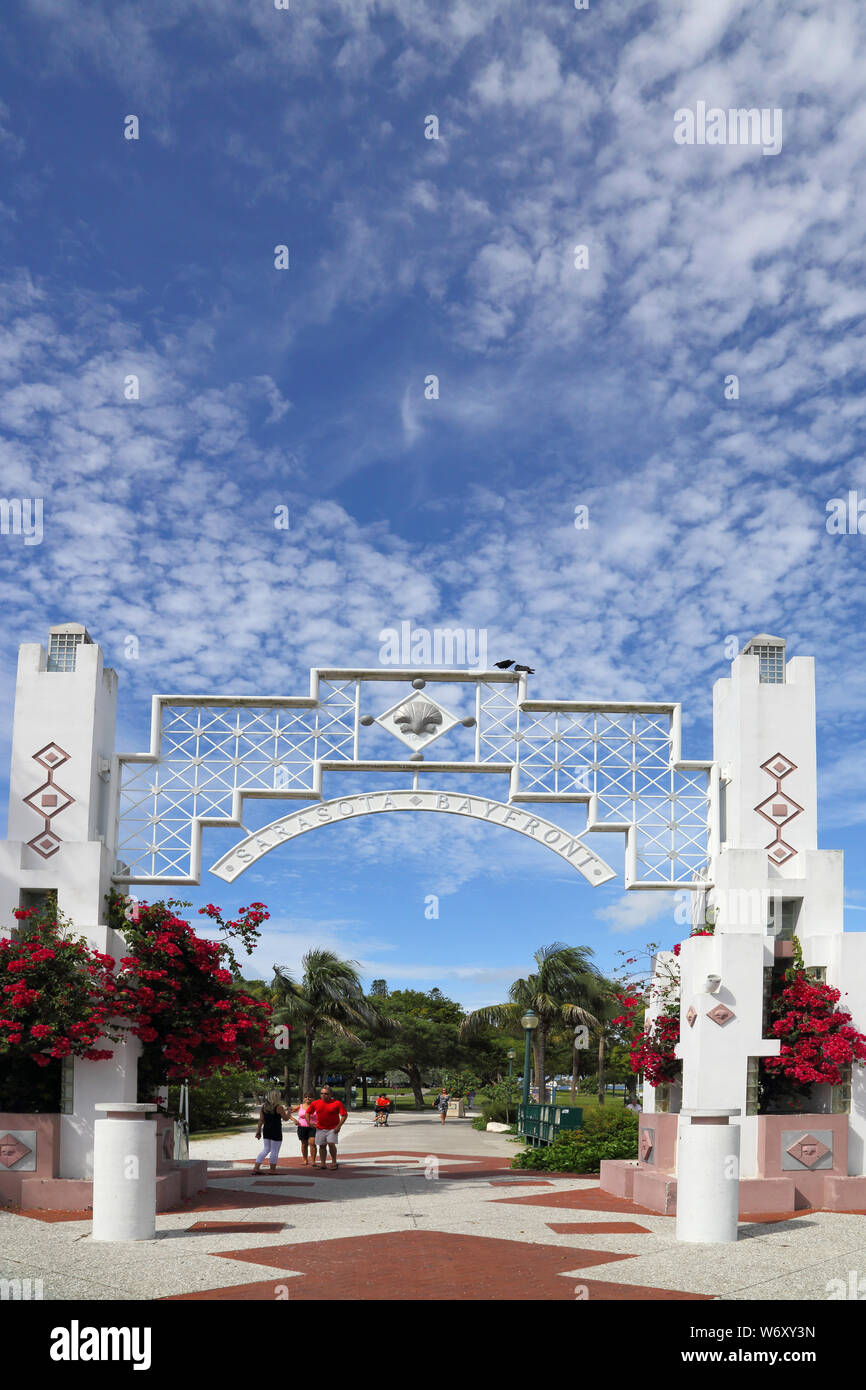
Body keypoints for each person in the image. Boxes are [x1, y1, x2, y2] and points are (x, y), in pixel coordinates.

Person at [307, 1085, 347, 1169]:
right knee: (322, 1145)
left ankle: (334, 1162)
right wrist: (309, 1123)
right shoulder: (315, 1103)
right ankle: (323, 1163)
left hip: (333, 1128)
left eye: (326, 1093)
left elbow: (344, 1115)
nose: (323, 1095)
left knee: (331, 1143)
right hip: (320, 1128)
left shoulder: (337, 1103)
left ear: (330, 1094)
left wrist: (339, 1126)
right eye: (321, 1093)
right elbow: (307, 1112)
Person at [253, 1090, 290, 1173]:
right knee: (275, 1150)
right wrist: (289, 1111)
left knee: (266, 1149)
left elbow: (261, 1120)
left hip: (266, 1130)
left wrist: (258, 1131)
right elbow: (285, 1118)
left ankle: (256, 1167)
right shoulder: (278, 1107)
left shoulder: (264, 1107)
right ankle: (272, 1169)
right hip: (276, 1130)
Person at [289, 1092, 317, 1164]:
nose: (308, 1098)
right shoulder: (300, 1106)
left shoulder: (316, 1106)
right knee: (304, 1144)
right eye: (306, 1097)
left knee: (312, 1143)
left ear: (313, 1098)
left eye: (310, 1097)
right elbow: (287, 1113)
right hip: (302, 1127)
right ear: (304, 1098)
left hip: (313, 1127)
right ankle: (305, 1160)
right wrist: (294, 1120)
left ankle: (313, 1161)